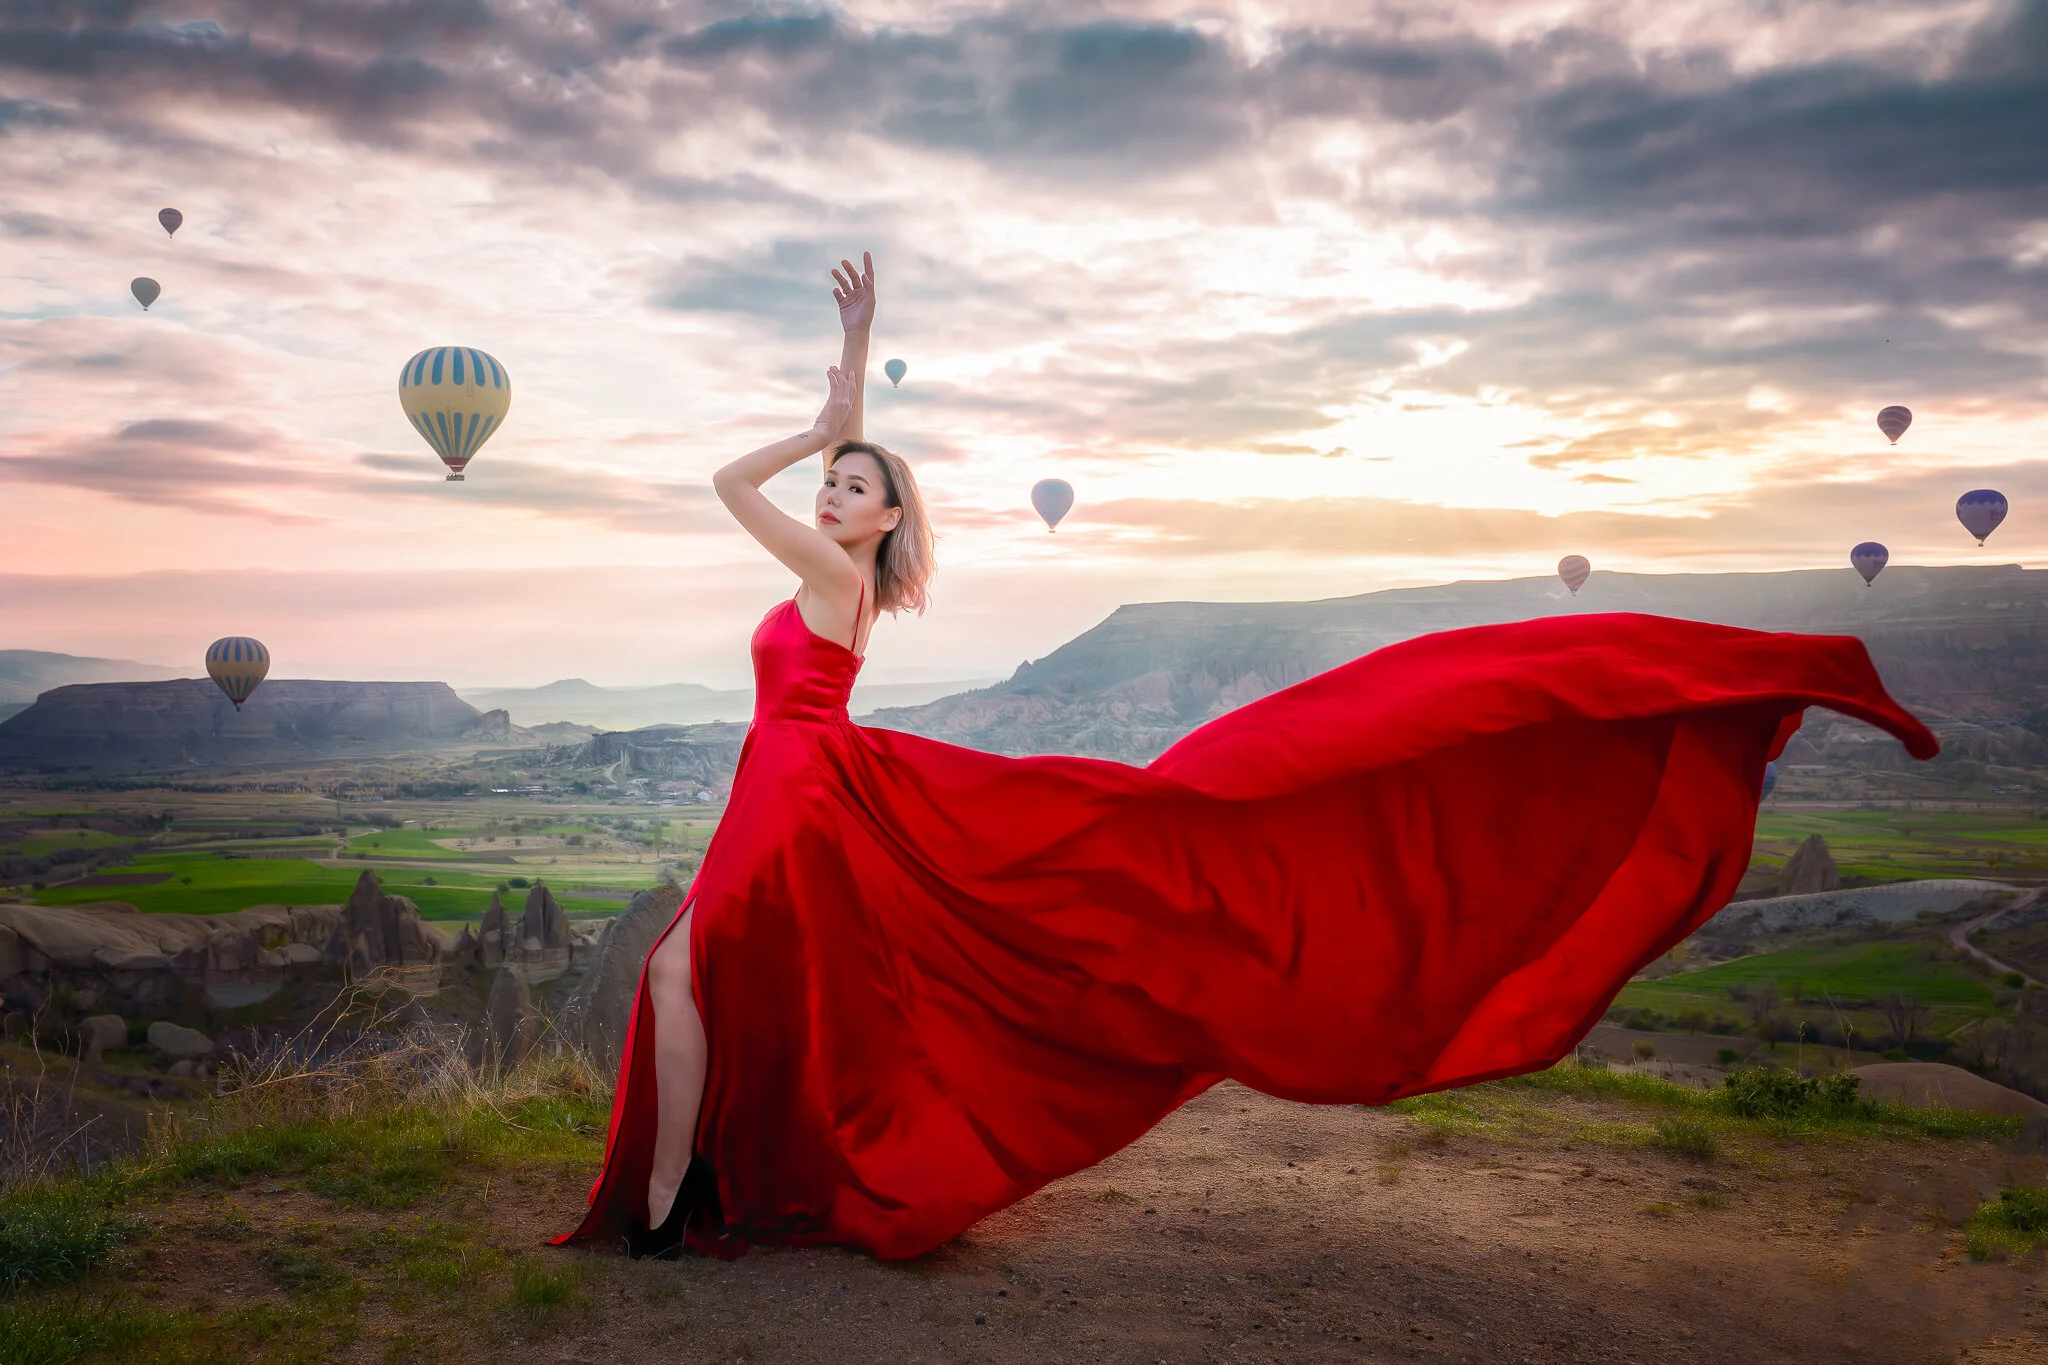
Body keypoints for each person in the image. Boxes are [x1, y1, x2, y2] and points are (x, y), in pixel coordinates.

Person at [555, 252, 1937, 1263]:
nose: (827, 490)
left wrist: (818, 424)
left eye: (850, 487)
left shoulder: (825, 571)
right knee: (720, 975)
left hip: (800, 790)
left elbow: (728, 483)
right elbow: (855, 456)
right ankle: (697, 1188)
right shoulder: (840, 566)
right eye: (830, 481)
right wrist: (856, 354)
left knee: (685, 970)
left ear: (876, 525)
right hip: (799, 785)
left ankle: (676, 1202)